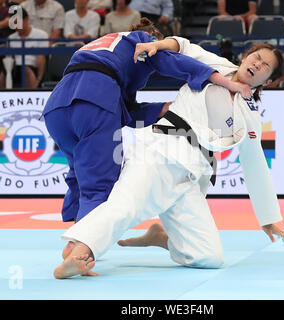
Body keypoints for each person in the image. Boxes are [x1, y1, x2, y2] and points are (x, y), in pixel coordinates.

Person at [52, 38, 284, 279]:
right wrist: (158, 45)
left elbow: (255, 165)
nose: (257, 64)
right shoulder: (216, 66)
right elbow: (184, 47)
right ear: (246, 56)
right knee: (124, 206)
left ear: (269, 81)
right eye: (256, 57)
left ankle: (162, 238)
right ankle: (78, 255)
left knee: (210, 257)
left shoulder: (250, 117)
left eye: (265, 66)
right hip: (160, 150)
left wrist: (268, 219)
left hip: (191, 175)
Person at [42, 18, 252, 258]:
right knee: (99, 182)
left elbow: (125, 112)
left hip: (56, 108)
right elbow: (176, 63)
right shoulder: (142, 41)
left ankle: (75, 229)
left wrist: (161, 109)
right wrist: (224, 81)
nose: (159, 46)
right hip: (94, 101)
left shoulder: (100, 45)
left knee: (79, 173)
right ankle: (79, 251)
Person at [0, 6, 48, 88]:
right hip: (13, 69)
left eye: (17, 22)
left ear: (26, 19)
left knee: (26, 70)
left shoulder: (41, 35)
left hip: (31, 68)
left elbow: (41, 59)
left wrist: (39, 79)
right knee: (2, 74)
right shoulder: (11, 38)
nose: (15, 26)